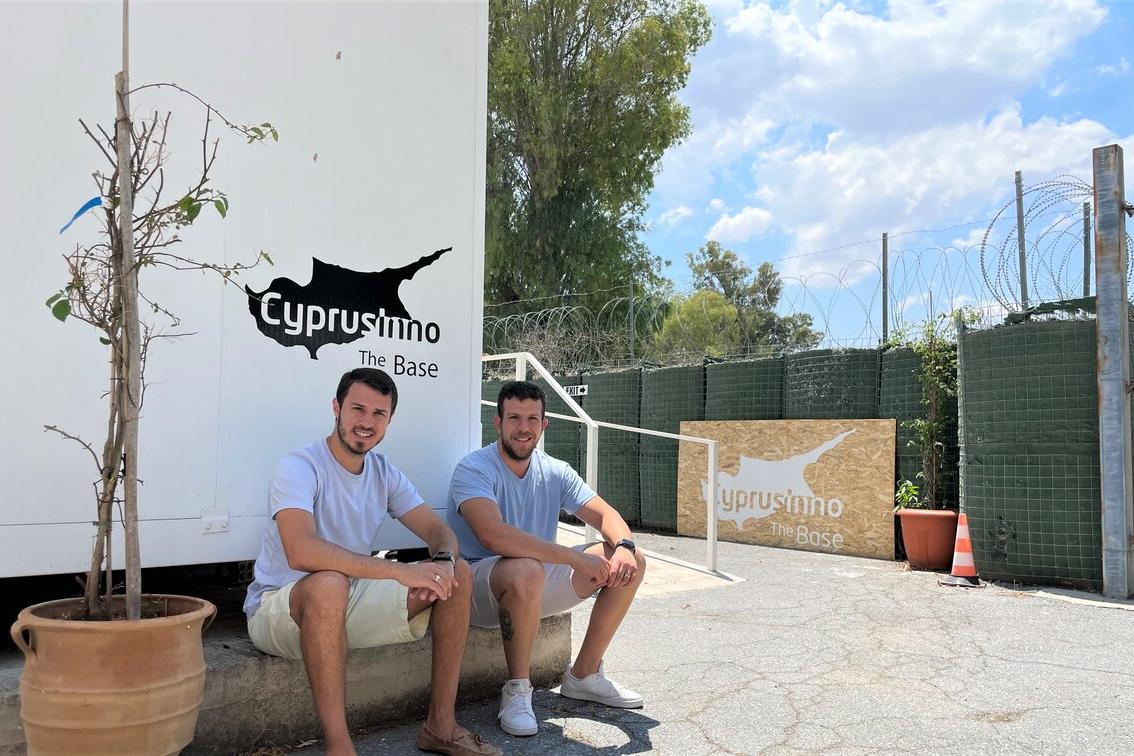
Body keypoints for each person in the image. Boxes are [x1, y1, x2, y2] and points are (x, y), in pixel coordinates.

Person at [243, 368, 500, 756]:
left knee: (457, 574)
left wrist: (445, 562)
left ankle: (441, 726)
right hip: (279, 610)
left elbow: (439, 532)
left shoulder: (383, 472)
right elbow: (302, 551)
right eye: (357, 409)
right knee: (329, 583)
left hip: (345, 600)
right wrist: (399, 570)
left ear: (389, 420)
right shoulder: (299, 465)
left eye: (378, 413)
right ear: (336, 408)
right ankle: (340, 747)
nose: (366, 422)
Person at [447, 380, 647, 737]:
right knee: (525, 568)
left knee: (632, 561)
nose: (523, 428)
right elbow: (493, 535)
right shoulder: (474, 468)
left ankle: (584, 675)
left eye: (532, 419)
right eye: (514, 418)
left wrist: (625, 547)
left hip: (533, 583)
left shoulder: (555, 469)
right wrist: (572, 558)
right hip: (477, 589)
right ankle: (517, 689)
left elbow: (606, 516)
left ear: (544, 424)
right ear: (498, 422)